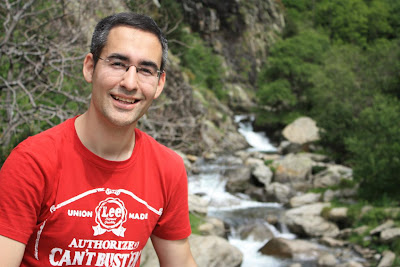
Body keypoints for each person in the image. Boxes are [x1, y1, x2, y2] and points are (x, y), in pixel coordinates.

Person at [0, 12, 197, 267]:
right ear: (90, 67)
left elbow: (180, 261)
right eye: (117, 64)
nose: (129, 82)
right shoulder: (32, 163)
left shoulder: (167, 168)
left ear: (159, 83)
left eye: (146, 70)